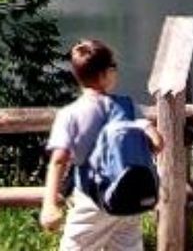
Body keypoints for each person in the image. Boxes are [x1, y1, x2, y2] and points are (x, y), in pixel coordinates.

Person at [40, 38, 162, 250]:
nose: (116, 71)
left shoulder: (70, 114)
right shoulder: (128, 106)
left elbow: (59, 161)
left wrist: (49, 205)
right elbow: (158, 145)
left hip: (91, 200)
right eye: (114, 66)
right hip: (127, 196)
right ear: (105, 74)